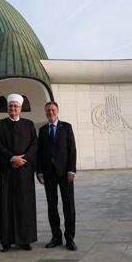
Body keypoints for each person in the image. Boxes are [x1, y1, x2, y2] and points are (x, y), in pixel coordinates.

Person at [0, 93, 38, 251]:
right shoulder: (0, 125)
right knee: (6, 204)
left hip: (24, 171)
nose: (13, 108)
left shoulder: (29, 124)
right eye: (11, 106)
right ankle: (5, 241)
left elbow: (34, 144)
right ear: (7, 108)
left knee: (24, 205)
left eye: (16, 106)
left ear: (21, 108)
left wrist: (23, 159)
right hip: (7, 170)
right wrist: (12, 158)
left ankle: (25, 239)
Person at [37, 101, 77, 251]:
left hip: (65, 173)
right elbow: (39, 153)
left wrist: (72, 170)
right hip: (48, 174)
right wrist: (39, 171)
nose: (50, 112)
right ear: (45, 112)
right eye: (48, 110)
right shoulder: (42, 130)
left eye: (53, 110)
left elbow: (72, 149)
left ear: (58, 111)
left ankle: (70, 237)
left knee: (68, 205)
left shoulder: (66, 127)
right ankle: (56, 236)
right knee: (52, 206)